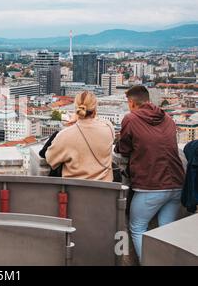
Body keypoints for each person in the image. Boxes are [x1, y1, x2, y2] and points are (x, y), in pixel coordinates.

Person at [115, 85, 185, 262]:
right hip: (177, 182)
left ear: (131, 103)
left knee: (138, 227)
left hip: (151, 184)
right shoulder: (168, 118)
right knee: (166, 230)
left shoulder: (130, 118)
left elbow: (124, 149)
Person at [46, 91, 115, 181]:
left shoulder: (65, 135)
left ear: (76, 109)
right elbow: (101, 121)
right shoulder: (108, 128)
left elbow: (50, 159)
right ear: (95, 109)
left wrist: (76, 119)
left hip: (73, 191)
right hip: (104, 191)